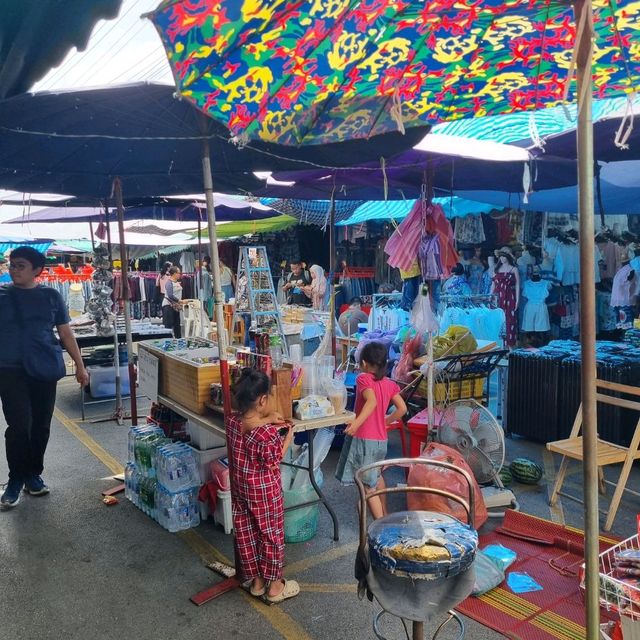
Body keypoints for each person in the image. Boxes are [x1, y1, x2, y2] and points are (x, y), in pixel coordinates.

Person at [0, 246, 89, 509]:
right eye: (12, 265)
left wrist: (80, 366)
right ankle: (15, 478)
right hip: (9, 369)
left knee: (41, 425)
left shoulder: (51, 296)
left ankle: (32, 474)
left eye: (20, 265)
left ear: (37, 270)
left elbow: (65, 333)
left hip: (44, 367)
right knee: (19, 426)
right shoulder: (1, 295)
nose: (14, 270)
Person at [226, 368, 300, 603]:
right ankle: (275, 586)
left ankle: (257, 581)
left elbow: (251, 423)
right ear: (262, 400)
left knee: (248, 532)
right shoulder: (266, 435)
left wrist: (268, 419)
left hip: (241, 488)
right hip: (264, 492)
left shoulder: (232, 422)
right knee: (270, 534)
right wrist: (287, 437)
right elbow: (274, 459)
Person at [335, 341, 407, 519]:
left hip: (365, 440)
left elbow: (372, 401)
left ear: (365, 363)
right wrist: (386, 421)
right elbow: (402, 409)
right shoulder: (389, 383)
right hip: (381, 441)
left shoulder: (363, 378)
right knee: (376, 476)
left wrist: (356, 424)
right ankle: (385, 513)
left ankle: (380, 526)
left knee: (368, 487)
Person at [491, 247, 520, 348]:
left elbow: (517, 285)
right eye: (501, 257)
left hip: (509, 296)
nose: (502, 259)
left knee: (510, 320)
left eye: (504, 256)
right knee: (498, 320)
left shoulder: (514, 269)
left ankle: (510, 346)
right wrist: (490, 298)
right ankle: (500, 346)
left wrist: (517, 300)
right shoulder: (496, 269)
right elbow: (493, 284)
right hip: (498, 296)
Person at [162, 266, 184, 338]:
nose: (180, 274)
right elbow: (170, 295)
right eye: (178, 273)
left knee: (177, 325)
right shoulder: (169, 283)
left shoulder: (177, 282)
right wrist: (179, 301)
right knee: (169, 326)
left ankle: (178, 340)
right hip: (168, 306)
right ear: (174, 273)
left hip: (175, 307)